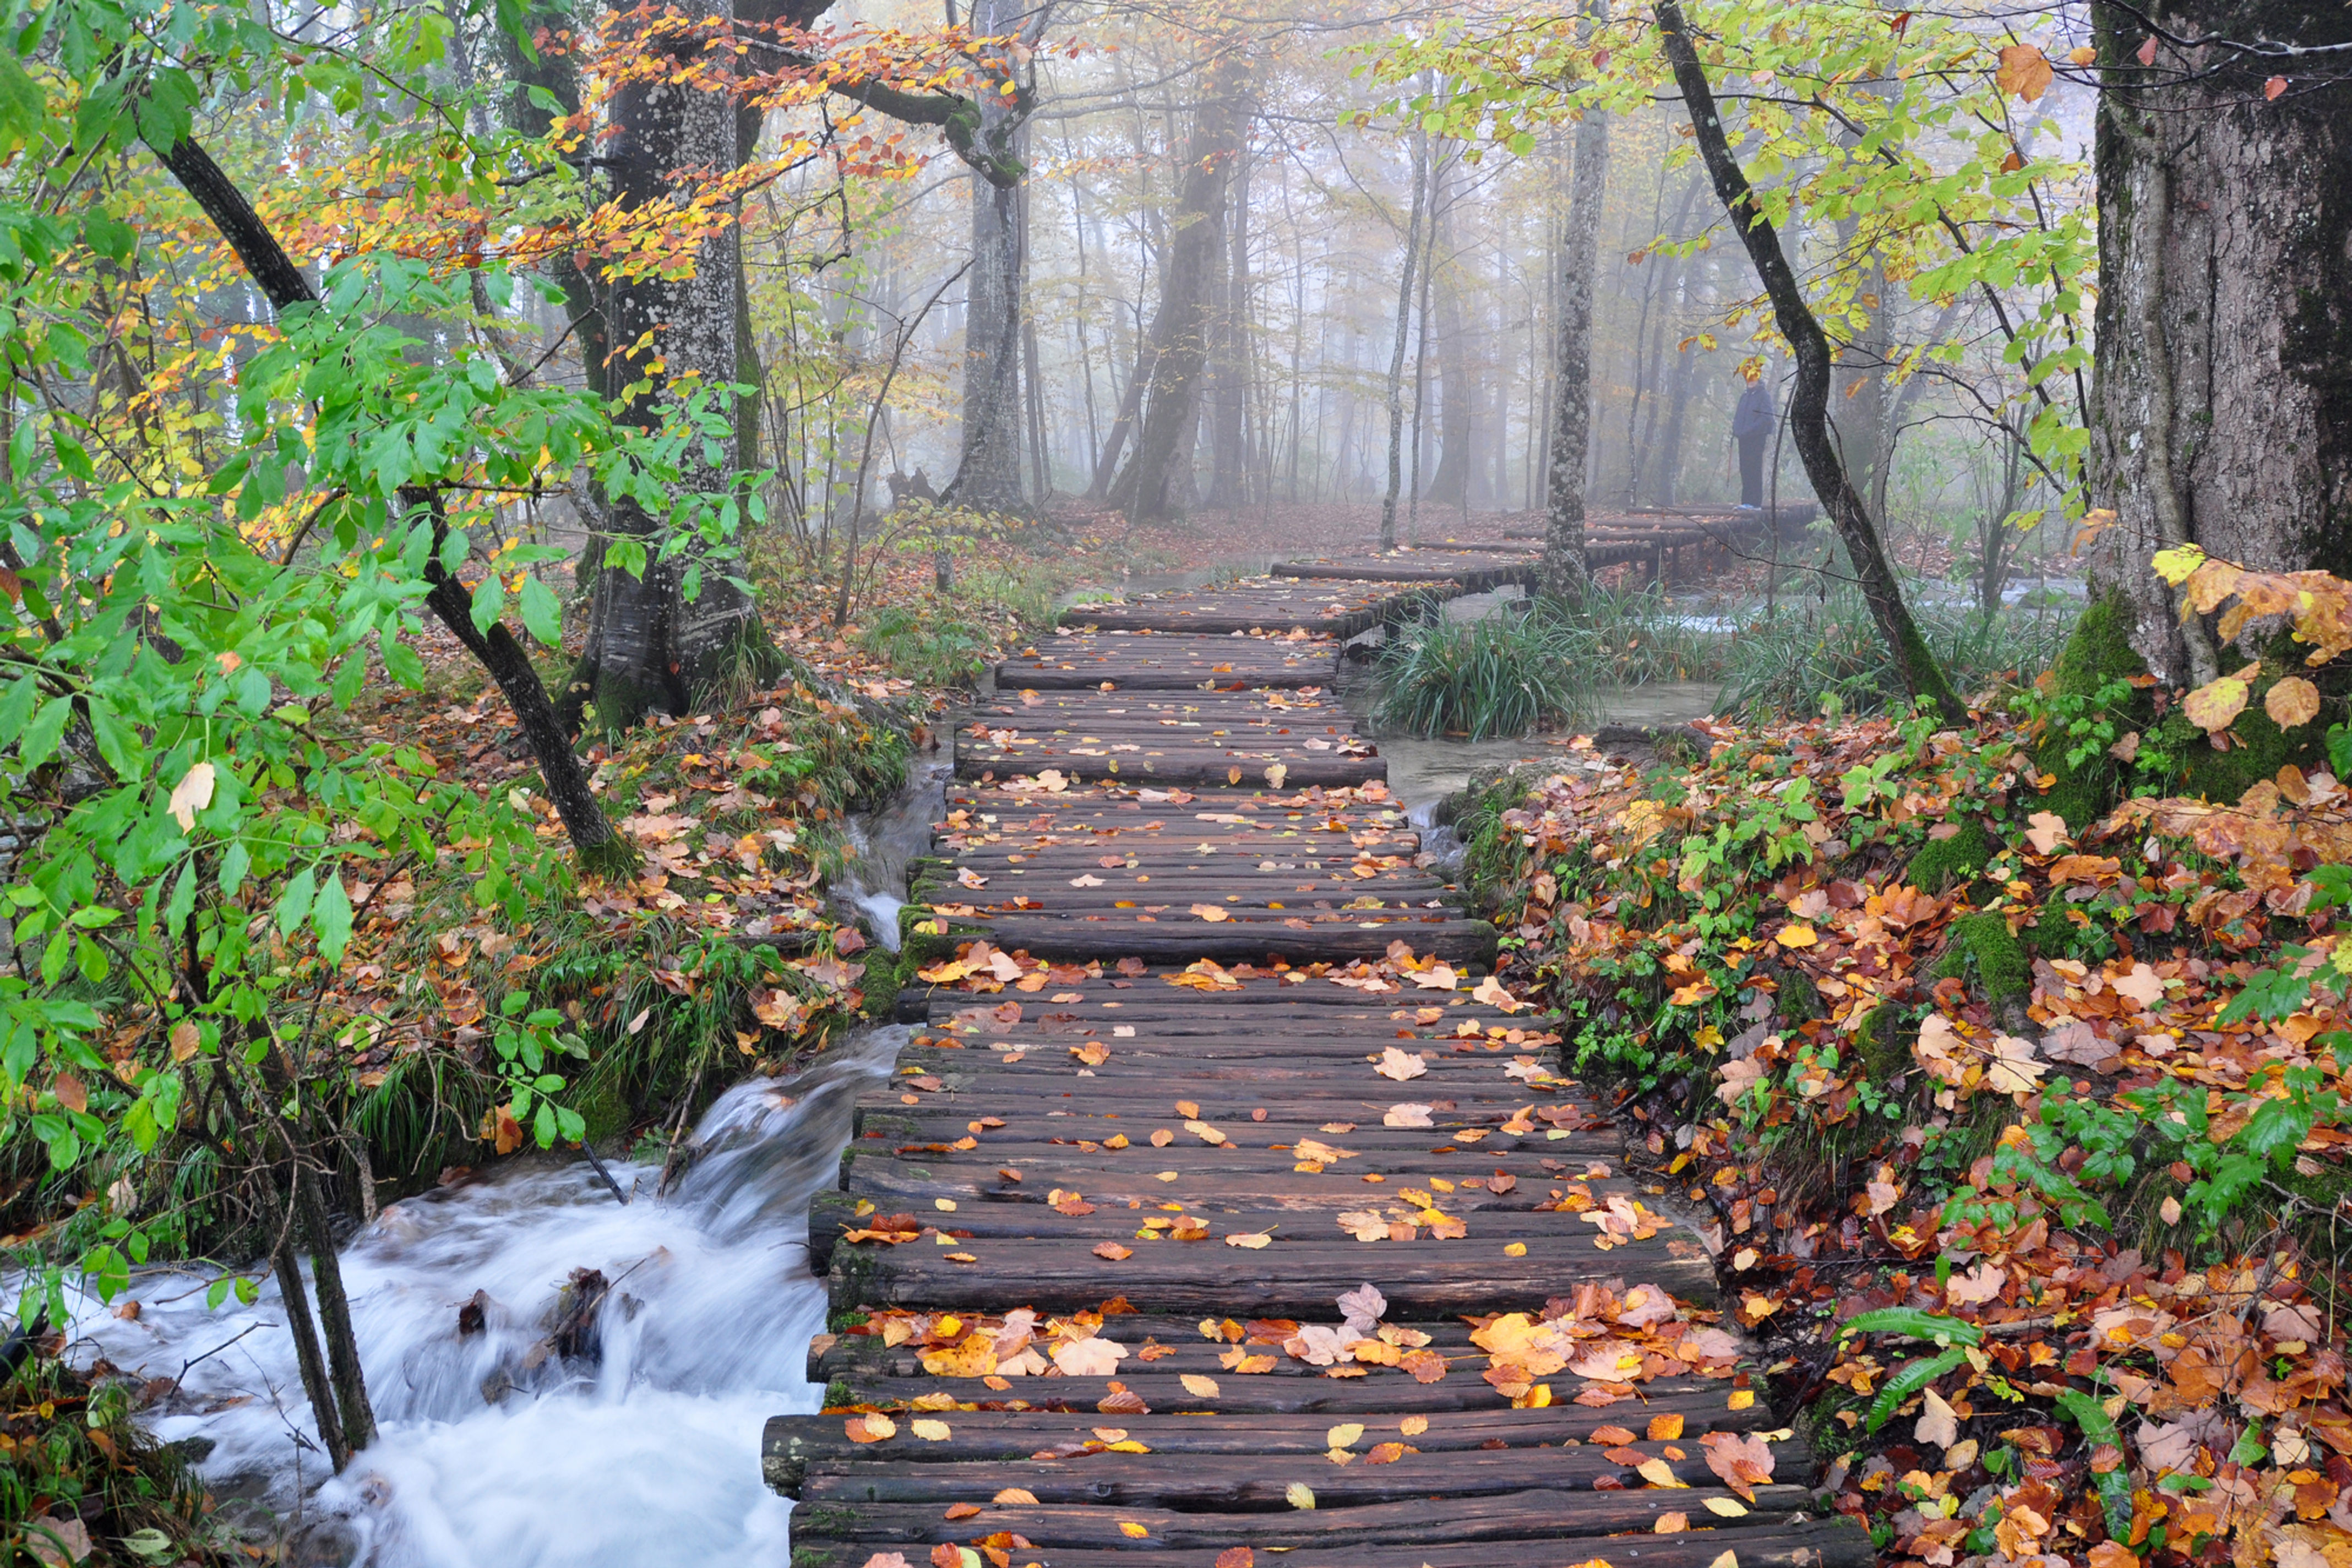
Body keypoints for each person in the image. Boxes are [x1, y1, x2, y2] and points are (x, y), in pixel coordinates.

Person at [1730, 371, 1776, 509]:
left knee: (1754, 469)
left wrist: (1749, 431)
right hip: (1743, 439)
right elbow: (1738, 416)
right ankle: (1746, 502)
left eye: (1753, 378)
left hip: (1756, 438)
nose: (1750, 381)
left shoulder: (1764, 396)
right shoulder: (1745, 396)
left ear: (1758, 378)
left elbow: (1766, 418)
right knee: (1745, 469)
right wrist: (1736, 430)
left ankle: (1755, 503)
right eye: (1748, 378)